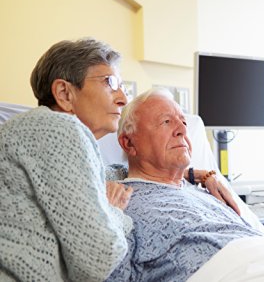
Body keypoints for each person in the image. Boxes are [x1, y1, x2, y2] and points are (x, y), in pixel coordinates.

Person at [0, 38, 238, 282]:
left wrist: (191, 173)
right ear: (64, 93)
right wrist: (113, 212)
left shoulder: (45, 138)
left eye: (122, 87)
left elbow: (109, 174)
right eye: (110, 83)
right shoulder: (56, 129)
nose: (123, 98)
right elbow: (97, 262)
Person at [106, 88, 264, 282]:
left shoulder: (211, 192)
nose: (181, 130)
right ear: (128, 143)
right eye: (166, 122)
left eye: (183, 123)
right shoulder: (119, 202)